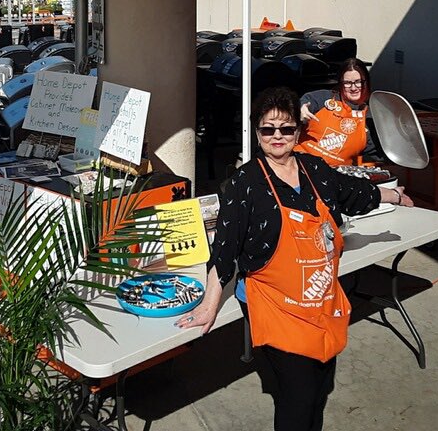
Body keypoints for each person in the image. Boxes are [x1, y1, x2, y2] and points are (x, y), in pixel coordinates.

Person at [177, 86, 413, 431]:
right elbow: (224, 250)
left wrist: (393, 194)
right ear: (256, 133)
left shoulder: (315, 168)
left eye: (286, 128)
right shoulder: (245, 183)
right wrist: (210, 305)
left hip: (321, 299)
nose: (277, 136)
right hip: (277, 305)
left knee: (319, 389)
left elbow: (354, 192)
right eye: (267, 129)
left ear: (297, 132)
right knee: (298, 396)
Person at [295, 58, 383, 168]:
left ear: (367, 82)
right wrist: (300, 109)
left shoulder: (370, 118)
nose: (353, 88)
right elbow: (303, 104)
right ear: (340, 83)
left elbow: (376, 155)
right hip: (301, 164)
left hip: (335, 177)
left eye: (358, 82)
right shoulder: (323, 98)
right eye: (347, 83)